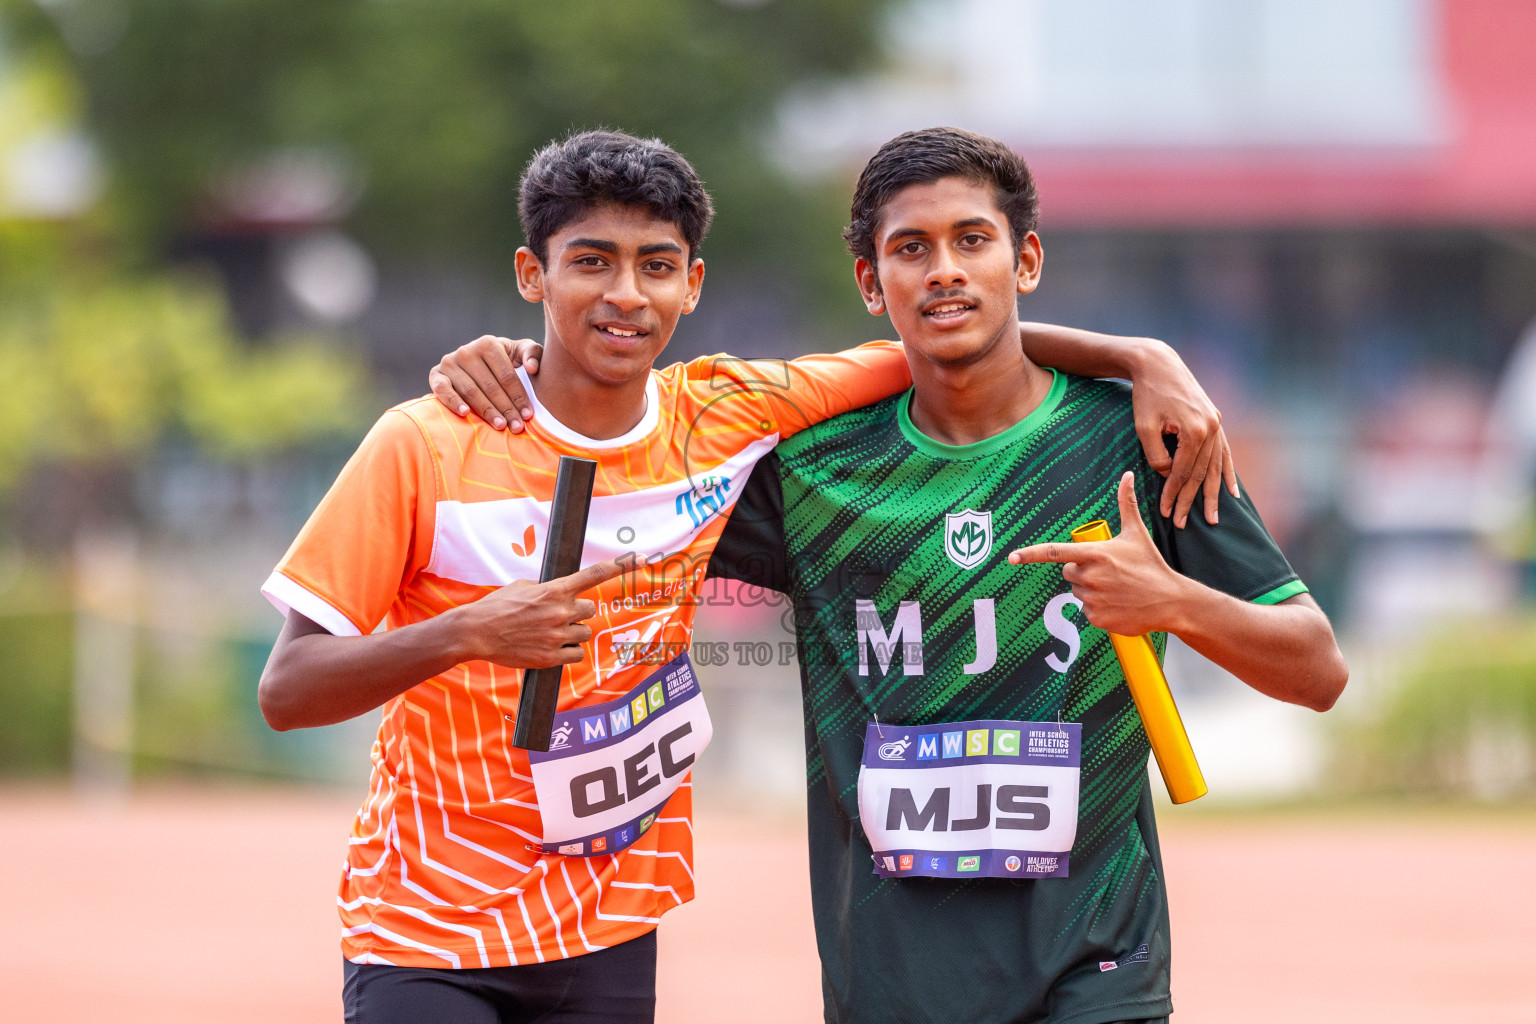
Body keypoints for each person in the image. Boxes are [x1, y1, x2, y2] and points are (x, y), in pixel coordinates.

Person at [262, 129, 1229, 1023]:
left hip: (606, 925)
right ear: (533, 274)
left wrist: (1141, 355)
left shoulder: (727, 417)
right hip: (427, 928)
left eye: (656, 268)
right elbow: (288, 690)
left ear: (692, 285)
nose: (625, 297)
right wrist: (469, 633)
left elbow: (938, 341)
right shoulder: (426, 445)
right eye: (590, 262)